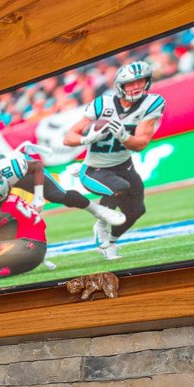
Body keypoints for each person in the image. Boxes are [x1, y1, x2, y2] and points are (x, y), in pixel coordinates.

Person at [0, 147, 122, 290]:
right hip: (30, 243)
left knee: (57, 195)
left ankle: (98, 210)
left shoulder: (12, 169)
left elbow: (37, 166)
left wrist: (39, 195)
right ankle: (11, 262)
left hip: (24, 174)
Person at [63, 58, 164, 260]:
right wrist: (87, 138)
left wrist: (124, 136)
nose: (136, 87)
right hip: (94, 170)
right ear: (120, 86)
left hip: (124, 166)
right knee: (120, 186)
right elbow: (68, 138)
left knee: (136, 210)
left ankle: (110, 242)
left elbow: (141, 143)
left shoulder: (152, 103)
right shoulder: (103, 104)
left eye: (140, 81)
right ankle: (101, 225)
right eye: (130, 83)